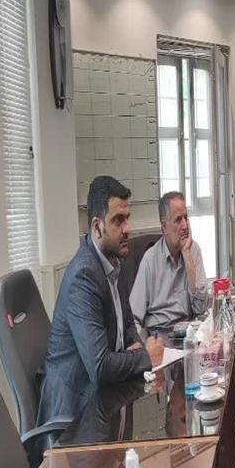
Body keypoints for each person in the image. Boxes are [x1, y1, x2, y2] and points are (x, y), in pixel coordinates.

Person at [37, 176, 164, 429]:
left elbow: (128, 325)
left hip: (105, 398)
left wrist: (136, 347)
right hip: (75, 414)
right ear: (97, 226)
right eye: (118, 220)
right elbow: (100, 365)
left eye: (128, 218)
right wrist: (145, 357)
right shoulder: (83, 276)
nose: (127, 228)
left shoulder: (114, 261)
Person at [129, 191, 208, 335]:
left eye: (186, 218)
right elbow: (133, 317)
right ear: (164, 227)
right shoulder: (150, 259)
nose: (185, 226)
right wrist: (145, 344)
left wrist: (187, 254)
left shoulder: (193, 250)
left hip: (188, 333)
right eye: (178, 220)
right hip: (159, 333)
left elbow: (201, 309)